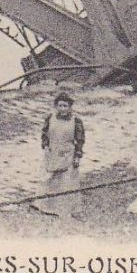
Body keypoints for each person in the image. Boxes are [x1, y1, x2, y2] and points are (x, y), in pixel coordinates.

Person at [34, 91, 85, 219]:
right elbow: (44, 134)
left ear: (70, 107)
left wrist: (77, 156)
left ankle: (65, 208)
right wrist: (45, 146)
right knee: (48, 178)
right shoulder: (50, 118)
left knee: (66, 181)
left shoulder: (76, 121)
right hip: (52, 152)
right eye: (60, 106)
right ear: (56, 106)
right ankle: (44, 205)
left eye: (65, 106)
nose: (62, 109)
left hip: (67, 153)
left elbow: (80, 140)